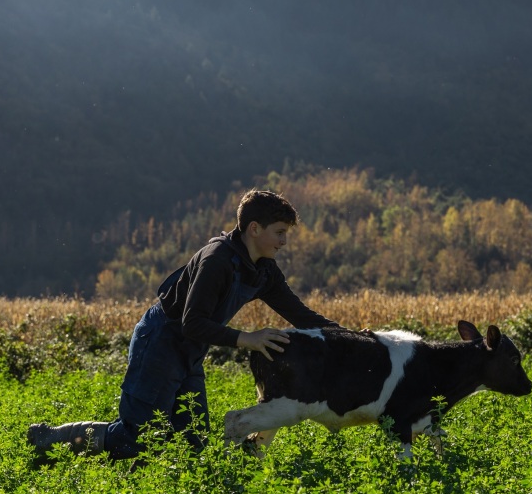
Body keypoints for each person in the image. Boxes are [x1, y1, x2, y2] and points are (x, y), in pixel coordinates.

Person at [27, 189, 337, 462]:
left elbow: (301, 315)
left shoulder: (264, 271)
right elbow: (192, 323)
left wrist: (357, 339)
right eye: (280, 232)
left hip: (190, 351)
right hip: (161, 341)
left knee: (193, 445)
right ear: (254, 229)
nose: (284, 241)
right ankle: (48, 440)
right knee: (138, 438)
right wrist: (248, 339)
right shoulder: (216, 260)